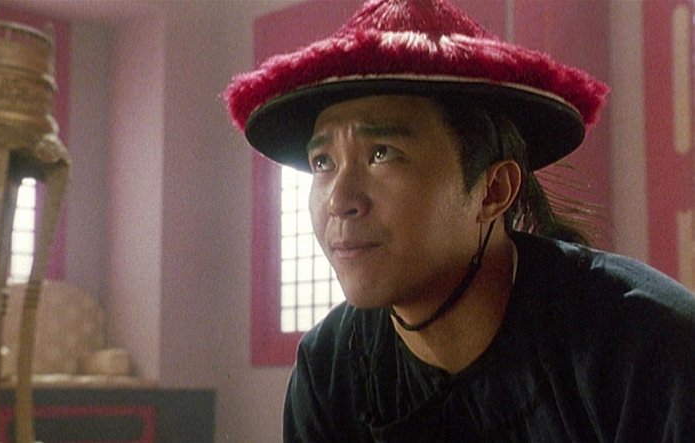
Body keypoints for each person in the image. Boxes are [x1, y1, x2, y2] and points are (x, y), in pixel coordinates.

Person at [225, 0, 695, 441]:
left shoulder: (647, 350)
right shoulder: (331, 370)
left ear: (493, 190)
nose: (339, 200)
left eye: (382, 153)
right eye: (323, 162)